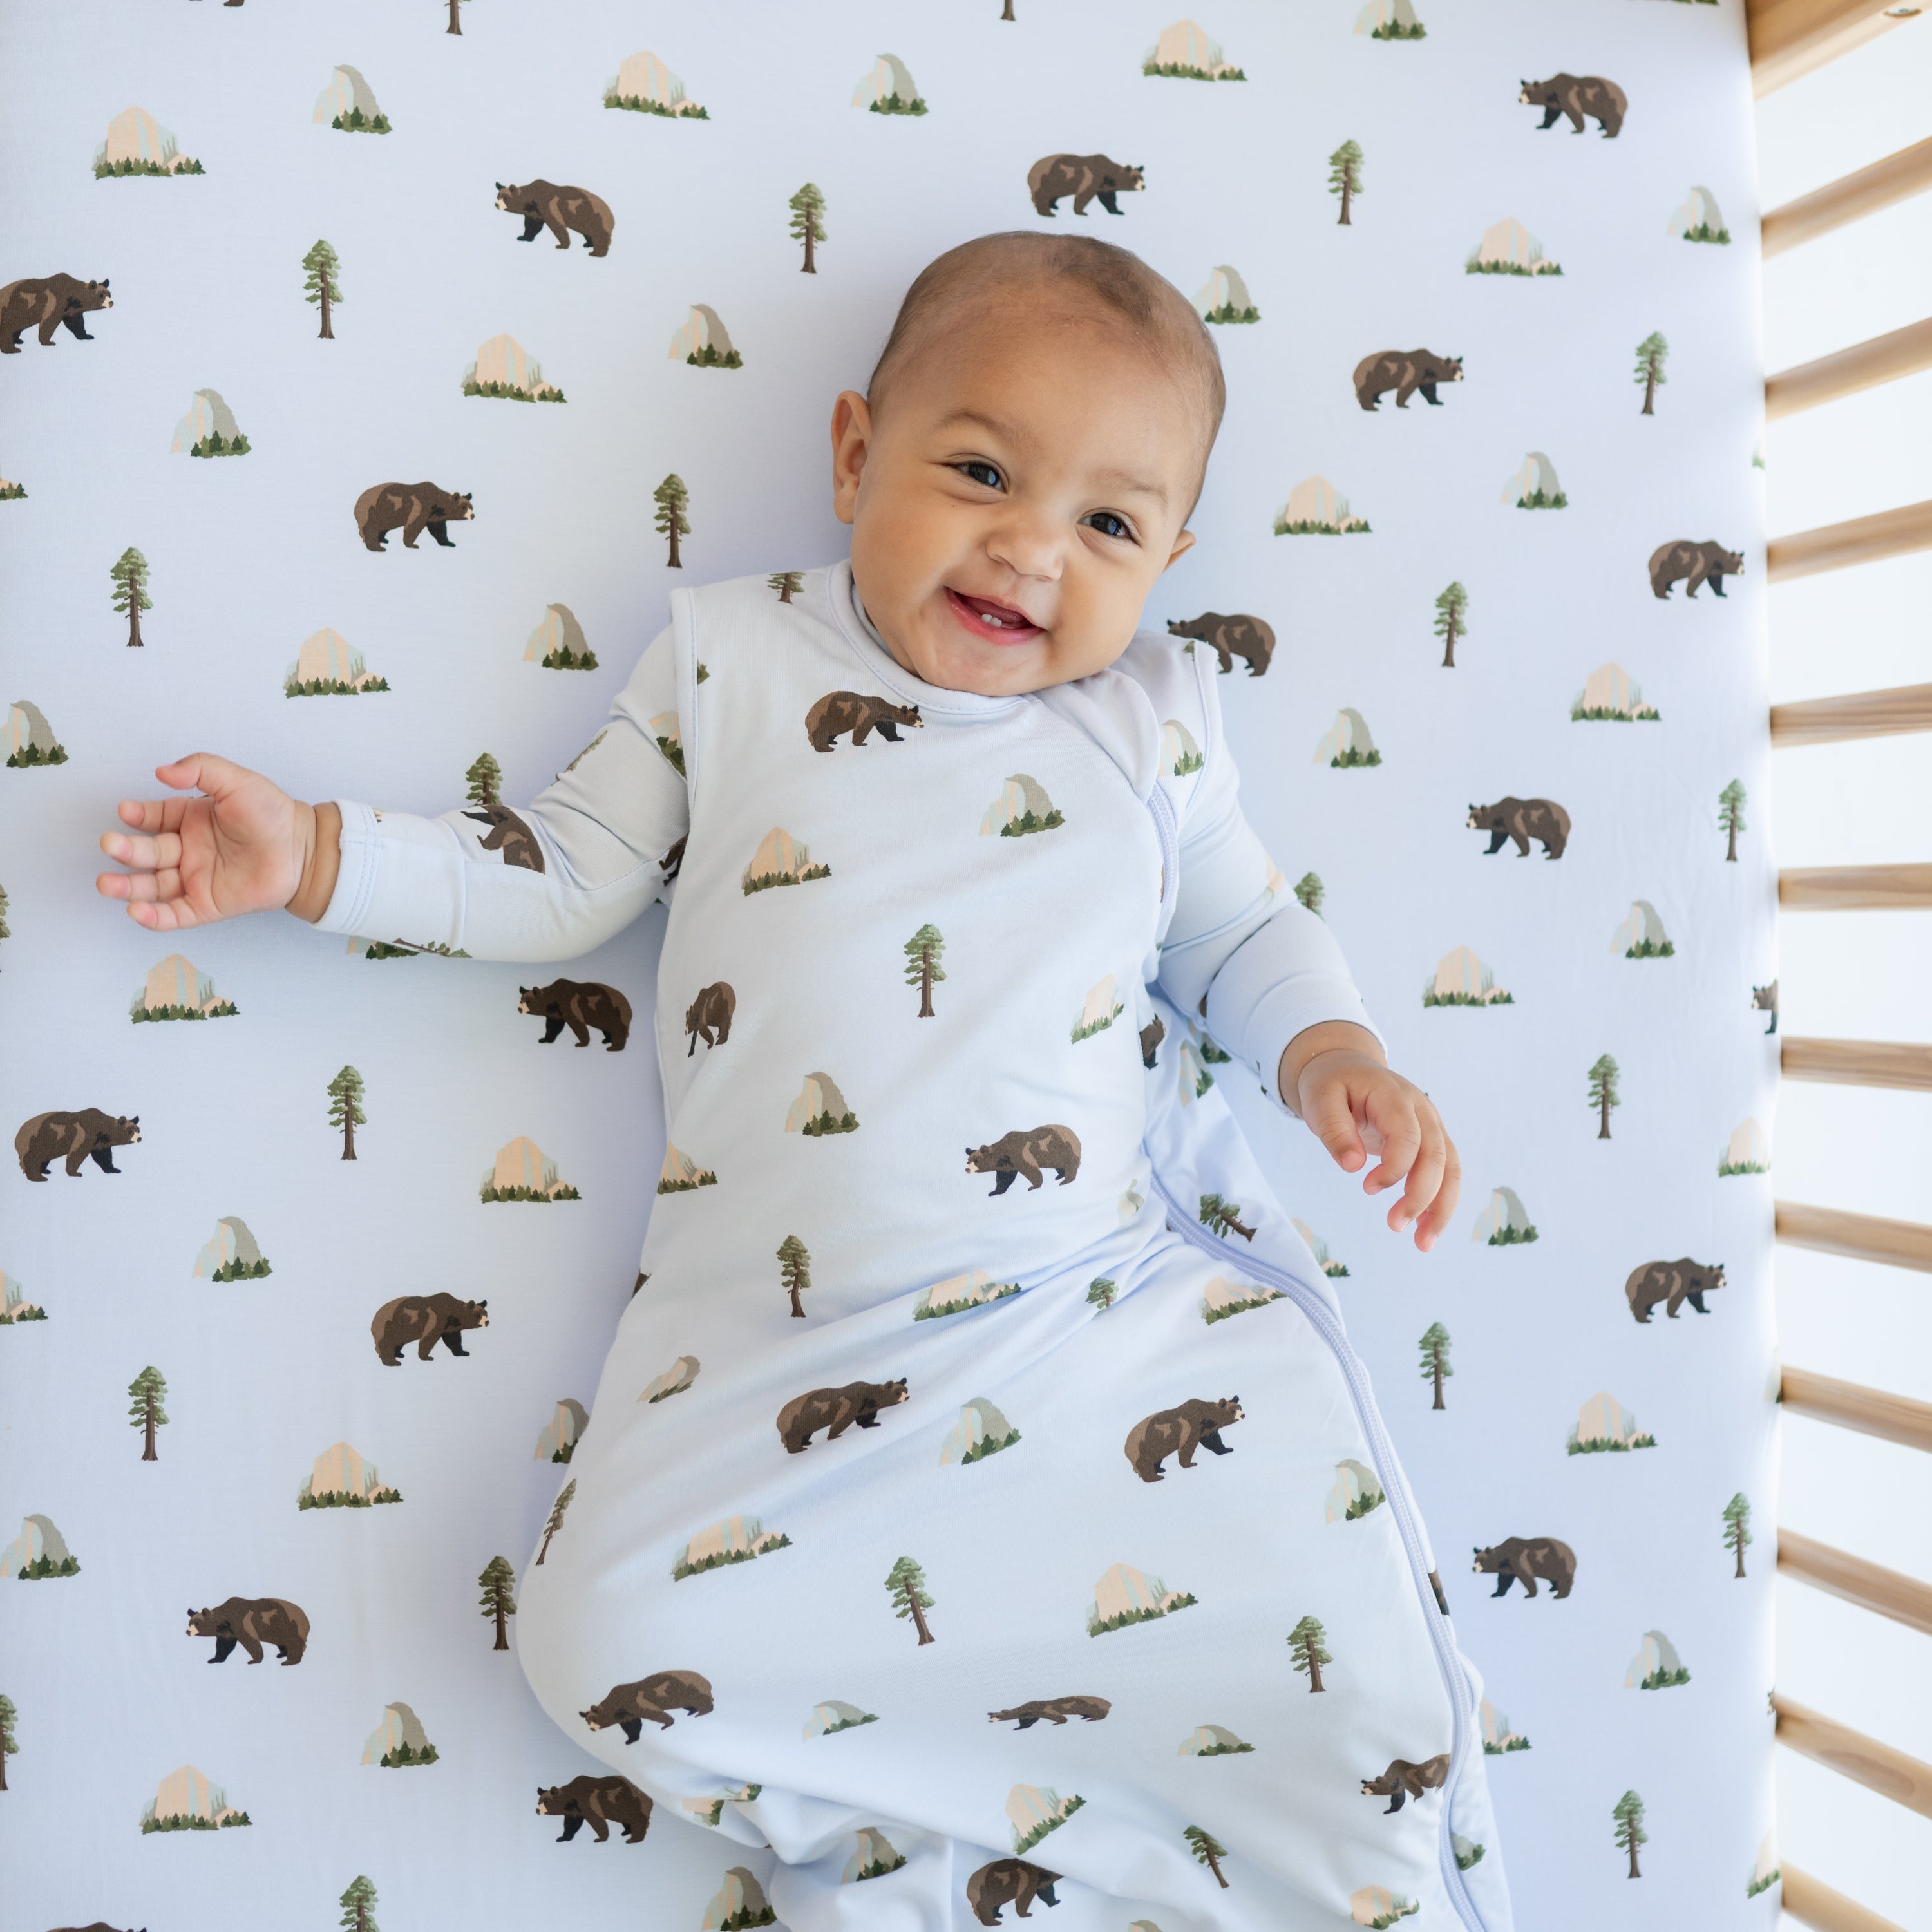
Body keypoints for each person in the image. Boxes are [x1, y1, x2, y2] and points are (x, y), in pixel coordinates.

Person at [96, 231, 1507, 1931]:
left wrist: (1334, 1052)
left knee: (1340, 1668)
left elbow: (1241, 933)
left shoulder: (1152, 725)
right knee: (598, 1643)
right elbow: (557, 876)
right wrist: (320, 857)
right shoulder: (731, 662)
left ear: (1171, 563)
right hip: (766, 1366)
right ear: (855, 455)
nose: (1030, 548)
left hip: (1067, 1321)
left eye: (1108, 526)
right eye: (980, 471)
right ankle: (929, 1853)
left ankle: (1192, 1858)